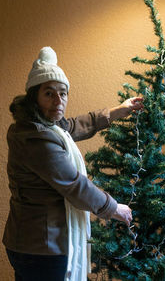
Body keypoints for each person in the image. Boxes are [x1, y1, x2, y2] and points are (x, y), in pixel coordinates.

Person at [2, 47, 144, 281]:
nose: (58, 100)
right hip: (40, 249)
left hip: (33, 244)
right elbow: (76, 186)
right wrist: (114, 208)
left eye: (63, 93)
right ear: (33, 97)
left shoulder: (47, 126)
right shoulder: (35, 137)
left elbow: (76, 124)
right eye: (49, 93)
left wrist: (120, 110)